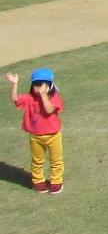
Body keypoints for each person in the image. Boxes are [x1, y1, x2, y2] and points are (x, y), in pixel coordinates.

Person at [9, 66, 64, 194]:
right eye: (36, 85)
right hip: (35, 136)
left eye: (42, 85)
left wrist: (44, 95)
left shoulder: (54, 97)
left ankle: (56, 182)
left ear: (50, 86)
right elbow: (15, 99)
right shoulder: (29, 98)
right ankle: (38, 181)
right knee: (37, 160)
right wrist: (15, 84)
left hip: (53, 135)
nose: (39, 88)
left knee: (56, 160)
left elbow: (49, 109)